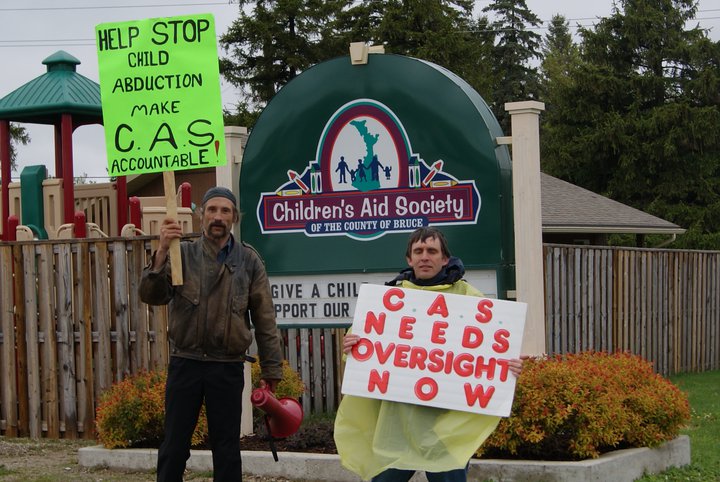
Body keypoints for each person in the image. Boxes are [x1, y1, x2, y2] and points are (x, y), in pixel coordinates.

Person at [334, 226, 525, 482]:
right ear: (409, 259)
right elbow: (360, 354)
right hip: (396, 423)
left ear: (444, 259)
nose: (425, 256)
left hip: (445, 426)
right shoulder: (389, 299)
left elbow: (492, 349)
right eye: (419, 251)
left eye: (432, 251)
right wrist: (351, 347)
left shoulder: (469, 298)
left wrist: (508, 366)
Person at [140, 186, 284, 482]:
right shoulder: (183, 254)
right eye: (212, 210)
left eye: (225, 211)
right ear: (200, 215)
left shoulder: (249, 261)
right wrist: (163, 251)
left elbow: (265, 318)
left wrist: (271, 368)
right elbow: (151, 296)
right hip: (186, 363)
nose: (218, 216)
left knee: (227, 448)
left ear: (234, 218)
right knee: (174, 446)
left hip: (227, 367)